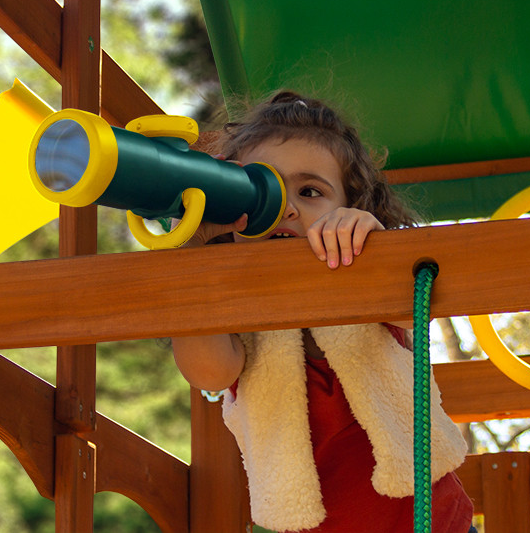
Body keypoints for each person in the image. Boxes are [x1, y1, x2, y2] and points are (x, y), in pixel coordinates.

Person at [171, 91, 474, 533]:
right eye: (261, 191)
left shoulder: (365, 287)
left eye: (310, 191)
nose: (286, 208)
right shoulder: (235, 317)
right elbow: (208, 371)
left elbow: (414, 309)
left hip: (433, 524)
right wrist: (196, 246)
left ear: (350, 207)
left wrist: (371, 241)